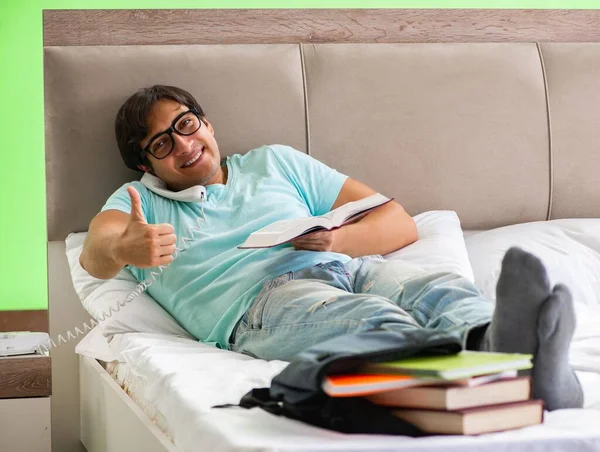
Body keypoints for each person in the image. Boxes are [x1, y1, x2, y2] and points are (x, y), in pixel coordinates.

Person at [81, 85, 582, 411]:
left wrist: (336, 241)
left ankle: (531, 363)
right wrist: (126, 246)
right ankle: (501, 384)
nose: (184, 145)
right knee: (369, 321)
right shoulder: (138, 201)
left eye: (185, 125)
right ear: (146, 166)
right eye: (161, 144)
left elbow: (398, 220)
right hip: (259, 307)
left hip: (347, 264)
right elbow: (95, 252)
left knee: (439, 291)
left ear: (206, 123)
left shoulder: (277, 162)